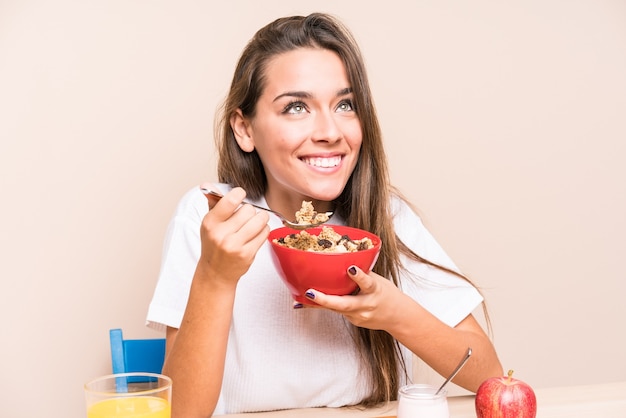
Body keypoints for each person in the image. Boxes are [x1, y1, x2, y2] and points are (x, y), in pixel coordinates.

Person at [147, 12, 503, 417]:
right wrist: (215, 276)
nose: (331, 132)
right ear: (244, 129)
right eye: (297, 107)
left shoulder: (386, 215)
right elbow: (181, 414)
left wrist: (396, 314)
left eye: (345, 105)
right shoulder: (210, 216)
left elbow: (490, 374)